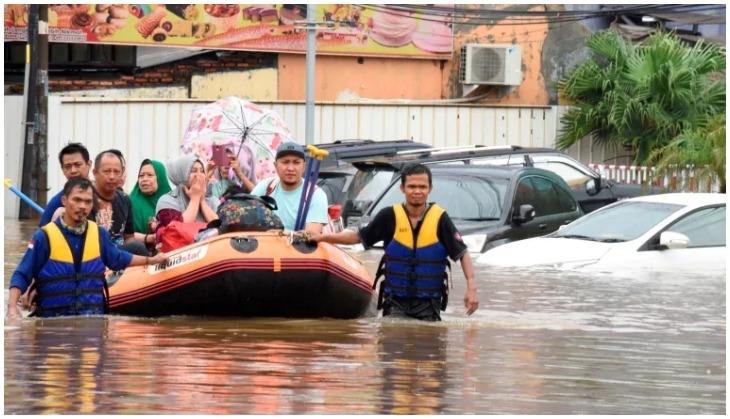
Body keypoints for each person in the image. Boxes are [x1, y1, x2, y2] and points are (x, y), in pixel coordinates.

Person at [308, 163, 479, 321]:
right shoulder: (388, 216)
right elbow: (358, 237)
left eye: (422, 187)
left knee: (429, 348)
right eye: (412, 186)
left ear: (430, 189)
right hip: (394, 302)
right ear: (402, 188)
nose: (417, 191)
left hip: (429, 305)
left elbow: (462, 253)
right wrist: (323, 237)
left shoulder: (441, 218)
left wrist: (471, 287)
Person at [6, 178, 168, 319]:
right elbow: (22, 273)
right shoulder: (43, 237)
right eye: (77, 200)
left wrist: (151, 260)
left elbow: (119, 258)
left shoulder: (99, 235)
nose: (82, 206)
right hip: (53, 321)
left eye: (88, 201)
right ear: (64, 200)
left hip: (92, 319)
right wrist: (12, 309)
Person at [250, 142, 328, 234]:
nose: (290, 168)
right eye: (285, 162)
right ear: (275, 165)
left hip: (298, 248)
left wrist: (280, 234)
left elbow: (311, 235)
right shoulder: (266, 187)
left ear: (303, 166)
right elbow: (246, 214)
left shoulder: (315, 194)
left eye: (296, 162)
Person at [92, 150, 148, 256]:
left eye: (116, 172)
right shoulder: (86, 199)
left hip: (119, 256)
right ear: (95, 173)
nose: (112, 176)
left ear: (122, 173)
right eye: (107, 171)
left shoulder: (125, 199)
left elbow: (129, 238)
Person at [156, 154, 219, 228]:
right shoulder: (167, 201)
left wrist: (201, 200)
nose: (199, 175)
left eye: (202, 171)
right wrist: (195, 199)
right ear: (181, 175)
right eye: (193, 171)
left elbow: (220, 227)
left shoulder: (211, 200)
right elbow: (179, 230)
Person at [38, 142, 93, 227]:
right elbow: (40, 235)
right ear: (62, 169)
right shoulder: (56, 203)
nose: (73, 170)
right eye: (68, 166)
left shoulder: (104, 194)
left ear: (89, 164)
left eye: (78, 165)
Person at [129, 159, 172, 250]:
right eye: (141, 176)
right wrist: (149, 238)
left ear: (160, 178)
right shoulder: (130, 202)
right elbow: (124, 236)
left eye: (150, 175)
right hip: (139, 255)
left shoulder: (172, 201)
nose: (144, 179)